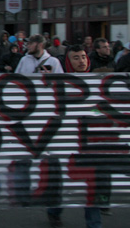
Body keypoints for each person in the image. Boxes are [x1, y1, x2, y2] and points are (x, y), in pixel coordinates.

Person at [47, 45, 102, 228]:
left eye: (83, 57)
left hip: (90, 143)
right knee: (63, 183)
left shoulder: (98, 82)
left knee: (92, 186)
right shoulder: (59, 83)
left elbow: (101, 108)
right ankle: (54, 210)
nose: (82, 61)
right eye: (76, 58)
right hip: (66, 141)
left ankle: (94, 224)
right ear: (68, 62)